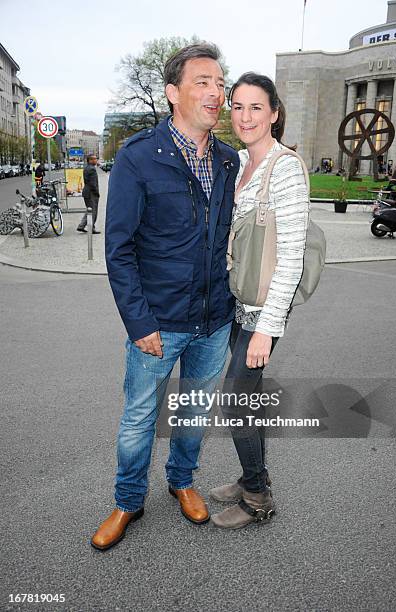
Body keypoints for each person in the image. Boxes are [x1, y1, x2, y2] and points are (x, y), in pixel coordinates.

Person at [91, 43, 239, 550]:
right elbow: (119, 249)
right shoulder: (138, 157)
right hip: (158, 321)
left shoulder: (227, 160)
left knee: (194, 411)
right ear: (174, 93)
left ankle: (182, 481)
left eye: (219, 82)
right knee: (138, 418)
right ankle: (128, 500)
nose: (216, 92)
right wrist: (139, 324)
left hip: (214, 320)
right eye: (203, 82)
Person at [209, 73, 309, 529]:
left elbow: (290, 257)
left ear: (274, 114)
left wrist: (267, 328)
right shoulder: (242, 165)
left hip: (262, 310)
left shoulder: (284, 167)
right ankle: (253, 474)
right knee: (243, 399)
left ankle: (258, 495)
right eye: (238, 107)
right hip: (239, 302)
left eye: (256, 108)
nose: (245, 117)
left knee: (236, 398)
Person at [77, 154, 101, 234]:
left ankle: (81, 226)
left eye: (96, 159)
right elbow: (93, 184)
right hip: (91, 193)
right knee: (93, 211)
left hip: (87, 192)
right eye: (93, 159)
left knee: (89, 210)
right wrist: (97, 193)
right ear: (89, 160)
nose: (95, 160)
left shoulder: (87, 168)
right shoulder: (92, 169)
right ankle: (91, 228)